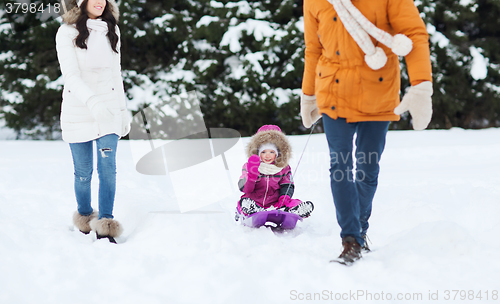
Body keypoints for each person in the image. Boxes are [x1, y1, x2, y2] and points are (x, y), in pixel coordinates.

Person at [300, 0, 433, 263]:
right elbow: (313, 48)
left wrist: (421, 85)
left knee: (367, 167)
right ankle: (350, 239)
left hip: (378, 93)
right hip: (333, 93)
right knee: (340, 165)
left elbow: (414, 34)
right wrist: (308, 93)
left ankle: (359, 229)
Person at [55, 0, 130, 243]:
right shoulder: (66, 32)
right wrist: (93, 103)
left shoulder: (112, 29)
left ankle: (106, 223)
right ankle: (86, 217)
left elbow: (115, 73)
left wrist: (122, 109)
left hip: (108, 111)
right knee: (83, 173)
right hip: (78, 111)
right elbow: (71, 77)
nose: (101, 1)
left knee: (107, 168)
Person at [236, 125, 314, 219]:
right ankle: (251, 211)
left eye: (271, 152)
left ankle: (295, 210)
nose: (267, 156)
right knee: (244, 202)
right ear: (257, 152)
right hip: (254, 202)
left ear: (278, 153)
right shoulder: (249, 166)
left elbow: (287, 184)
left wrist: (283, 200)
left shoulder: (283, 168)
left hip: (275, 203)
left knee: (293, 202)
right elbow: (244, 189)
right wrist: (252, 175)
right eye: (263, 152)